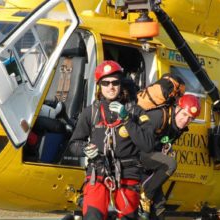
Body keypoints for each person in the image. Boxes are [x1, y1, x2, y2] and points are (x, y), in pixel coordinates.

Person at [69, 60, 155, 219]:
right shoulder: (91, 112)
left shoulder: (136, 112)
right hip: (98, 174)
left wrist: (127, 119)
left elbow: (148, 144)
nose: (110, 87)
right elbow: (73, 144)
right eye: (105, 83)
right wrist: (85, 149)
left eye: (115, 82)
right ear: (99, 86)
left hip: (128, 176)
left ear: (121, 84)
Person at [139, 94, 201, 219]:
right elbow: (136, 136)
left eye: (190, 118)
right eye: (184, 114)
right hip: (137, 155)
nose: (185, 121)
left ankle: (148, 196)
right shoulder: (159, 117)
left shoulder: (179, 128)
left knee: (159, 208)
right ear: (177, 108)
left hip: (150, 164)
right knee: (170, 164)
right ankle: (146, 195)